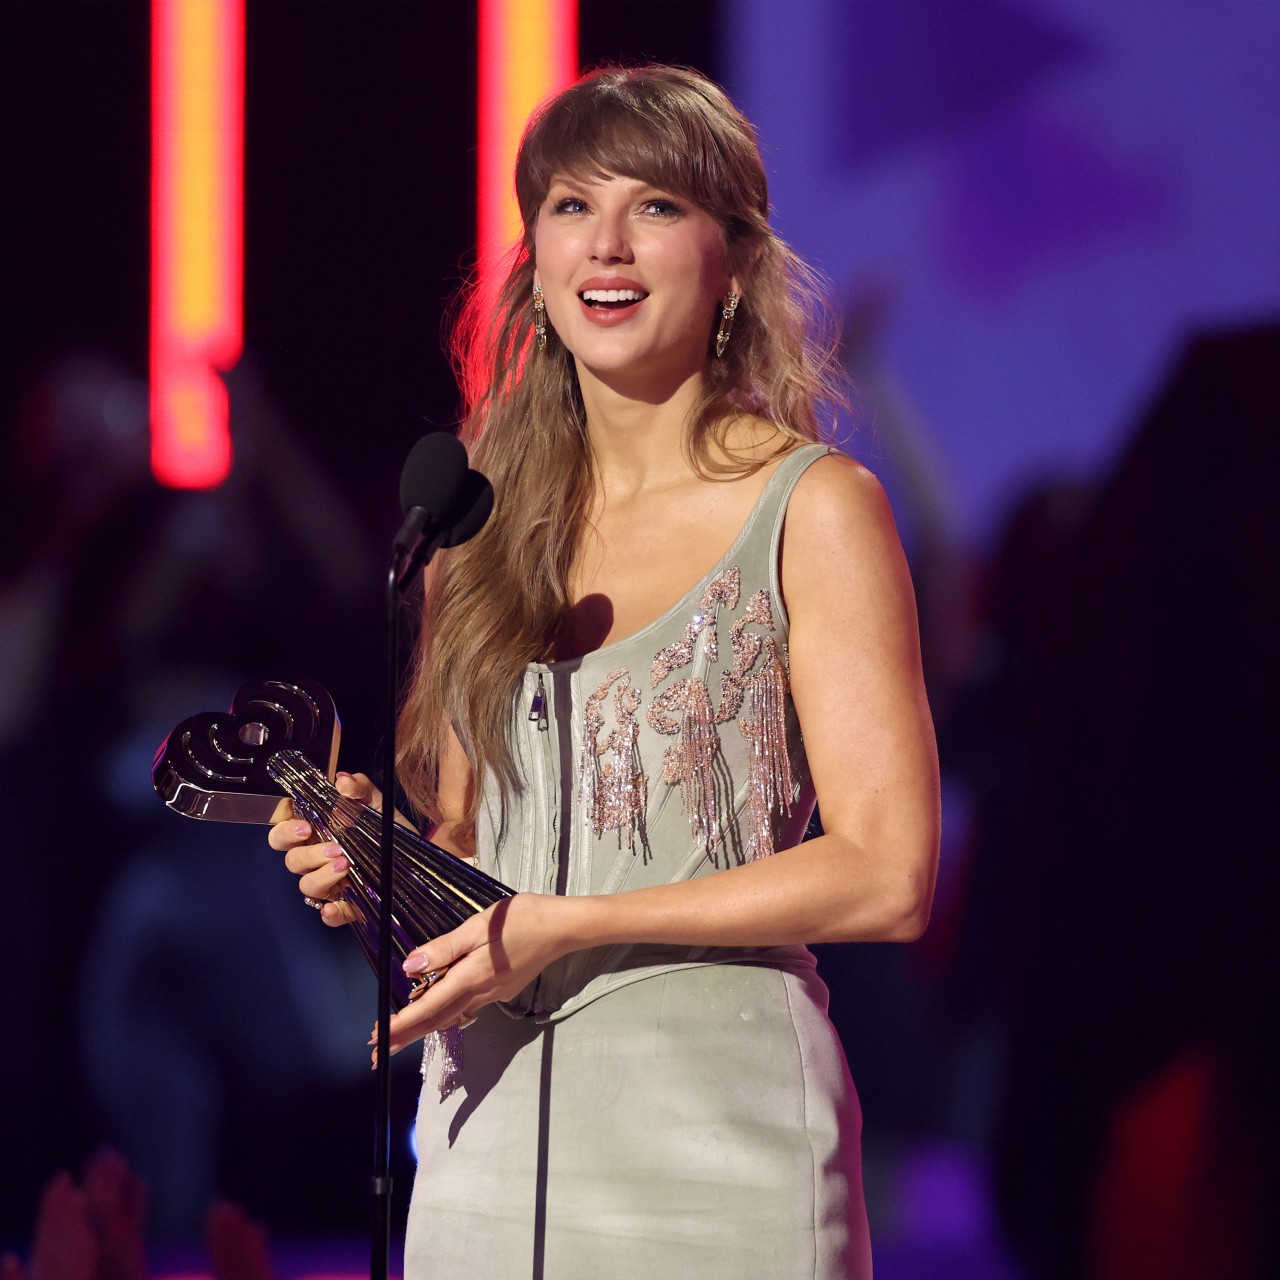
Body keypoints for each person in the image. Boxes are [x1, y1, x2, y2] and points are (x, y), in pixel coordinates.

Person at [271, 65, 939, 1279]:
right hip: (485, 1147)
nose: (607, 244)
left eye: (655, 206)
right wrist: (378, 864)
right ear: (534, 259)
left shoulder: (814, 506)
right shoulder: (473, 526)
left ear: (734, 261)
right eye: (572, 205)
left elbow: (886, 872)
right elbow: (476, 872)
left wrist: (567, 923)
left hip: (723, 1146)